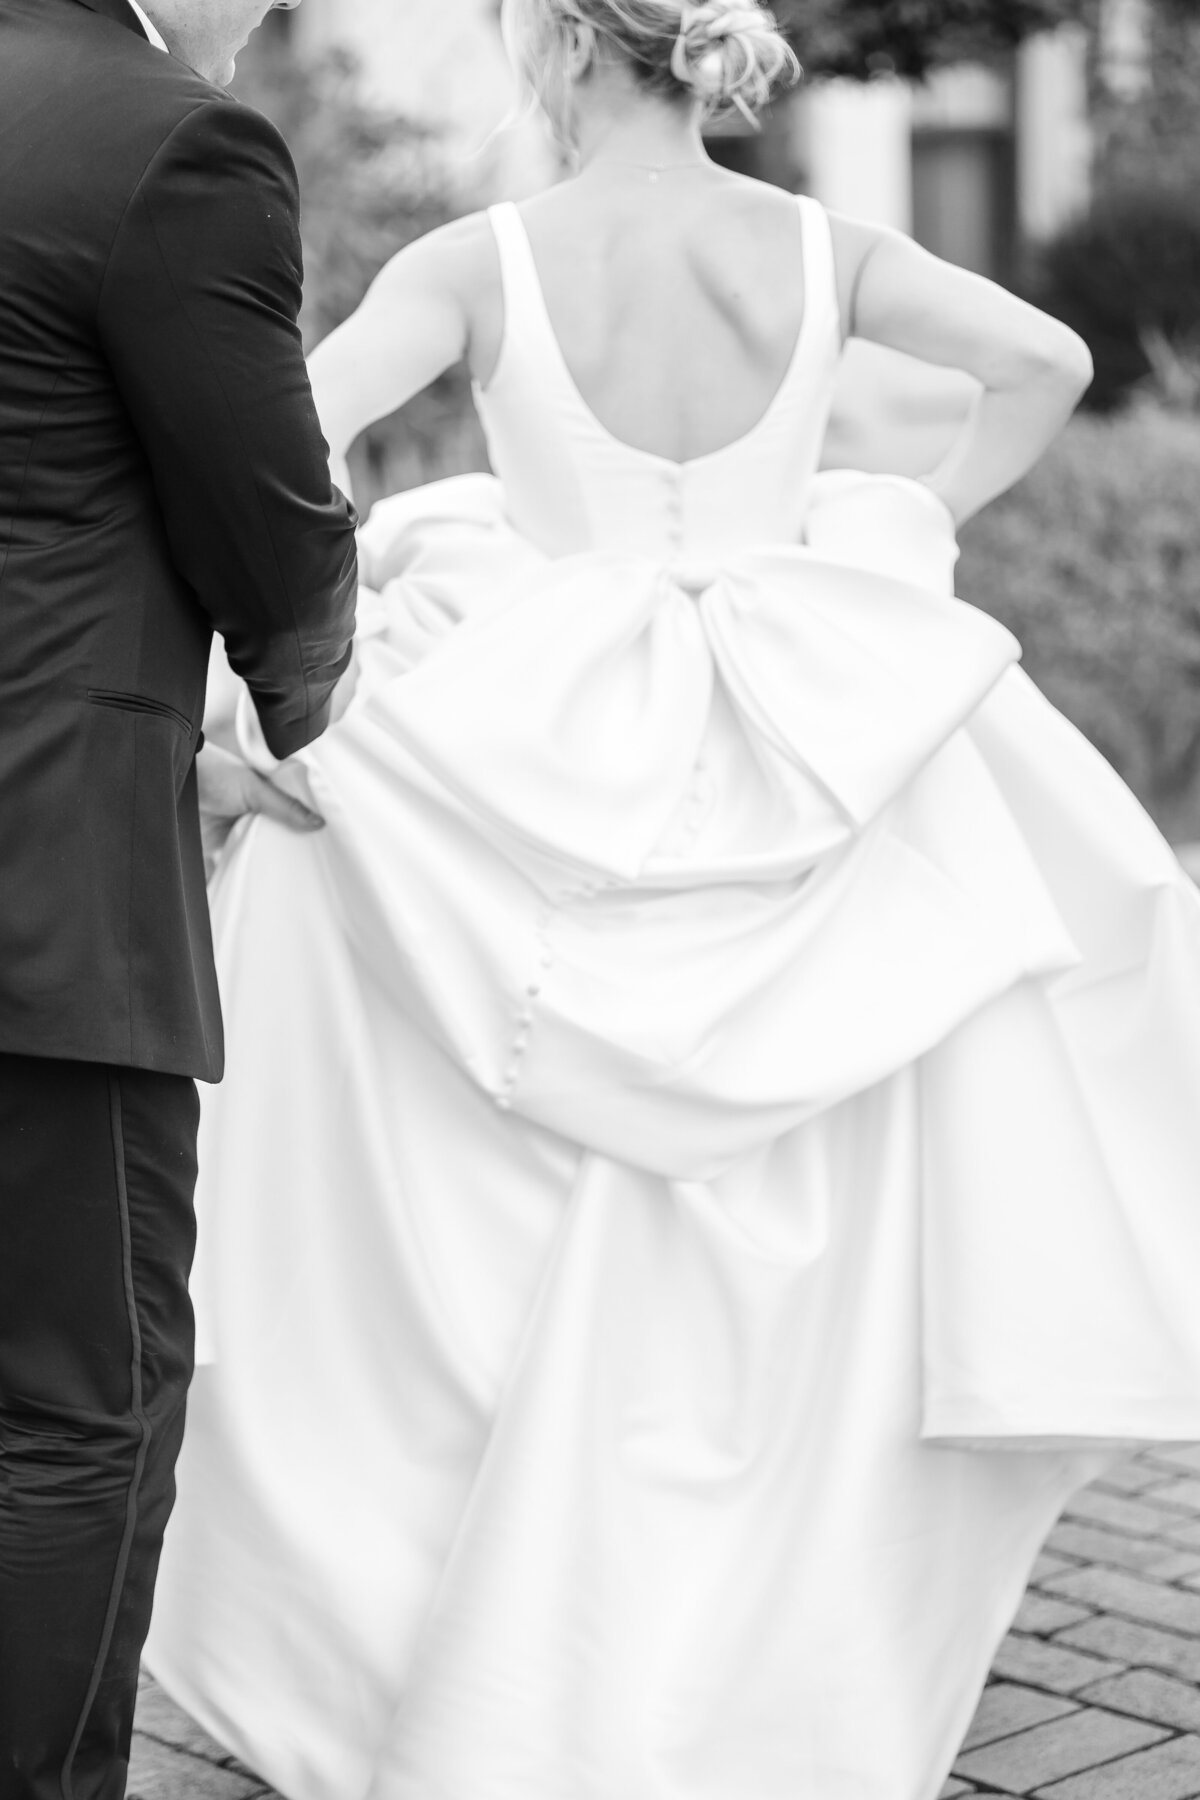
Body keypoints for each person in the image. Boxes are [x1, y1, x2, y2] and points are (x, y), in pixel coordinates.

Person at [147, 2, 1200, 1796]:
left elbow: (275, 435)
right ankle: (749, 1640)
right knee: (788, 1192)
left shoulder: (485, 260)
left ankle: (492, 1627)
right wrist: (902, 525)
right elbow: (1045, 358)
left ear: (559, 50)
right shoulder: (823, 245)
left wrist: (316, 610)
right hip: (798, 729)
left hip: (542, 734)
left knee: (508, 1170)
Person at [0, 0, 358, 1792]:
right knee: (79, 1404)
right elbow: (276, 528)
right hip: (39, 905)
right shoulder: (169, 141)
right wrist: (308, 699)